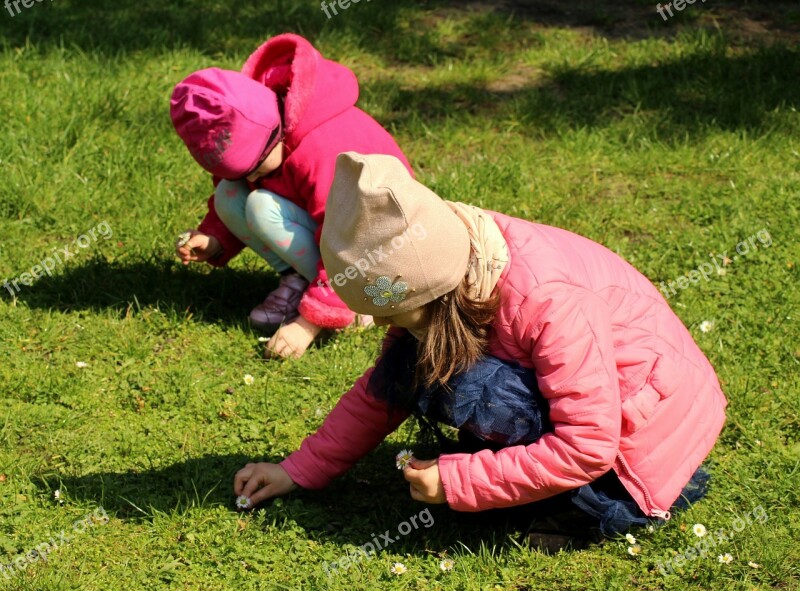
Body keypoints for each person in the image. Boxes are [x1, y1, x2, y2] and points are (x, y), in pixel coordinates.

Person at [233, 152, 727, 535]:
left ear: (433, 292)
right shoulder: (446, 258)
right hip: (598, 406)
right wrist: (299, 470)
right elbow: (384, 390)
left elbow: (590, 445)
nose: (386, 327)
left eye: (391, 314)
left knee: (478, 395)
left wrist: (458, 482)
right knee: (422, 366)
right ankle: (523, 474)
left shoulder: (549, 301)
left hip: (642, 437)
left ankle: (604, 503)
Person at [170, 34, 411, 358]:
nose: (251, 179)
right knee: (231, 194)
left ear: (274, 134)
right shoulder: (268, 135)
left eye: (254, 168)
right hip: (332, 227)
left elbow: (349, 237)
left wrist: (308, 323)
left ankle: (358, 302)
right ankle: (299, 280)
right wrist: (214, 239)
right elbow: (243, 181)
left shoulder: (323, 152)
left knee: (260, 204)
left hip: (381, 248)